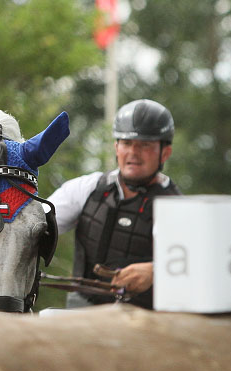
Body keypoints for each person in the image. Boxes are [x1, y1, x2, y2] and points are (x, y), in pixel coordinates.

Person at [49, 99, 182, 309]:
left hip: (143, 322)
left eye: (144, 145)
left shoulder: (177, 209)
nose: (133, 153)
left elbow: (195, 266)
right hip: (81, 312)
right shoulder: (87, 188)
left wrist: (157, 271)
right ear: (116, 147)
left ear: (165, 152)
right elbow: (36, 224)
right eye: (127, 143)